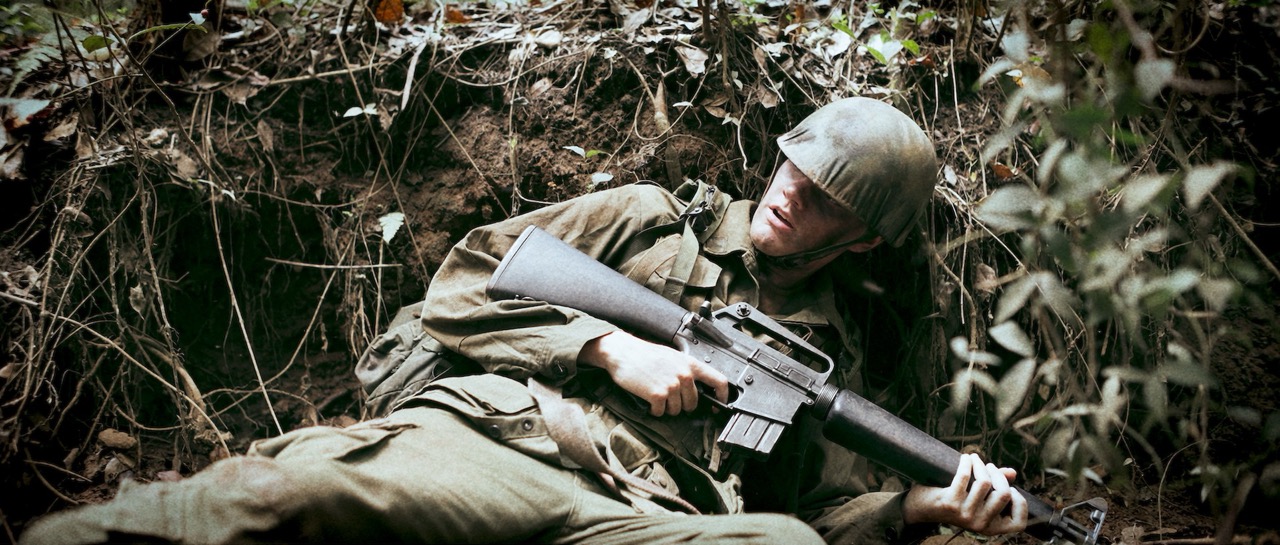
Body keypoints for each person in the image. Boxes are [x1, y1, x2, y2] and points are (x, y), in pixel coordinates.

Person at [20, 97, 1027, 545]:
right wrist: (604, 345)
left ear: (861, 241)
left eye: (821, 199)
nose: (786, 198)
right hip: (516, 440)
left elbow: (803, 515)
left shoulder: (835, 355)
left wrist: (923, 508)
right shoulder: (646, 218)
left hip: (656, 513)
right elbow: (460, 282)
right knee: (284, 499)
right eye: (791, 170)